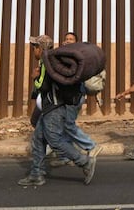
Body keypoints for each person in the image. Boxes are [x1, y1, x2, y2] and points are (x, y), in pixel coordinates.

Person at [18, 35, 96, 186]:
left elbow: (44, 86)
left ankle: (84, 162)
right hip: (51, 108)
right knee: (38, 139)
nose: (33, 50)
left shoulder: (47, 62)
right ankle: (36, 174)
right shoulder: (50, 60)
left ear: (39, 49)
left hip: (54, 108)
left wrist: (35, 77)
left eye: (34, 47)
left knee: (55, 140)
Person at [50, 32, 103, 167]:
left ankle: (91, 146)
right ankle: (65, 156)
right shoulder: (64, 56)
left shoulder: (78, 58)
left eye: (71, 40)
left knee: (68, 124)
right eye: (66, 39)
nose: (67, 41)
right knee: (63, 125)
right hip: (65, 97)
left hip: (74, 96)